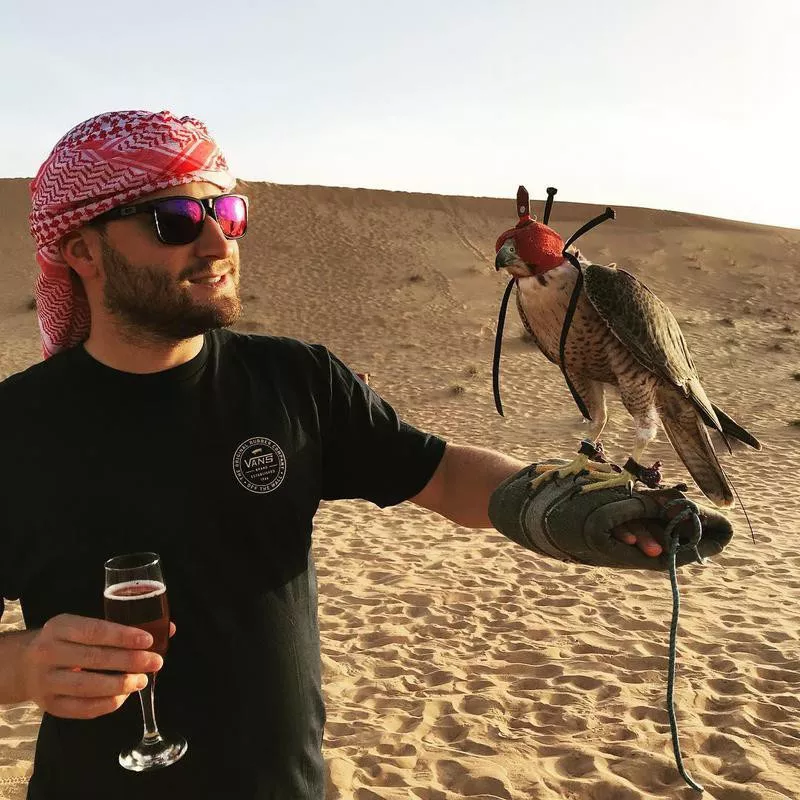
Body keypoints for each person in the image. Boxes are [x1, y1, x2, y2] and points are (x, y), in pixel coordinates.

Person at [0, 110, 661, 800]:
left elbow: (440, 473)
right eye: (174, 218)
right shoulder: (14, 428)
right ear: (82, 251)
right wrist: (22, 667)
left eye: (227, 210)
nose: (218, 239)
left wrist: (552, 501)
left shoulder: (297, 380)